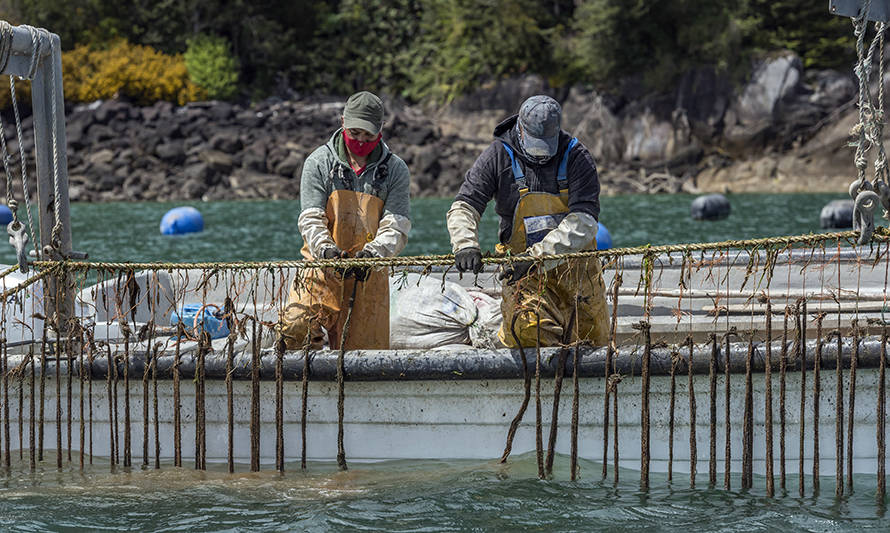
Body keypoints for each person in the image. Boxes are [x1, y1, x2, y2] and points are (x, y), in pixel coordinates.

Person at [446, 95, 609, 348]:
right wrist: (466, 244)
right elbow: (465, 205)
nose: (542, 154)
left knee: (591, 340)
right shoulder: (497, 156)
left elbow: (585, 221)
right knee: (526, 330)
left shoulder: (577, 156)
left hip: (577, 272)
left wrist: (536, 258)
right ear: (519, 128)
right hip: (521, 273)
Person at [279, 91, 411, 350]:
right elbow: (310, 218)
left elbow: (397, 224)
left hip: (368, 278)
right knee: (294, 328)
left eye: (368, 135)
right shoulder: (319, 162)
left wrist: (373, 254)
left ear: (381, 130)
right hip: (320, 270)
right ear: (342, 122)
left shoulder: (395, 170)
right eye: (355, 133)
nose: (361, 140)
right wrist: (325, 250)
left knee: (365, 359)